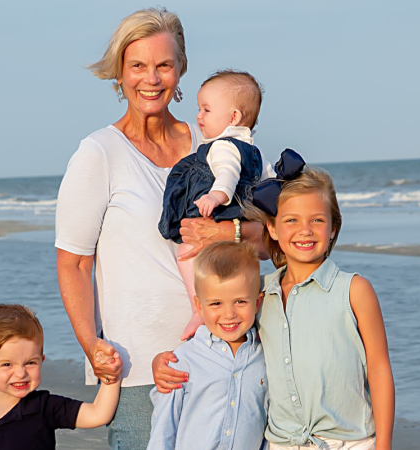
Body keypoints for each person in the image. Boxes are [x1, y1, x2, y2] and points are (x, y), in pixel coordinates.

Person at [55, 7, 266, 449]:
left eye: (164, 65)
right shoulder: (98, 153)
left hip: (228, 356)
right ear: (119, 72)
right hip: (139, 369)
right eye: (137, 65)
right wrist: (92, 345)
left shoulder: (219, 141)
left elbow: (273, 235)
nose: (151, 78)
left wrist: (230, 235)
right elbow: (74, 262)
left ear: (180, 69)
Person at [153, 154, 396, 450]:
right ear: (272, 229)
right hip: (282, 443)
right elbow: (220, 339)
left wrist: (384, 445)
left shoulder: (353, 290)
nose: (304, 230)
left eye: (317, 220)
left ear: (333, 227)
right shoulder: (260, 294)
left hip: (349, 442)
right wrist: (165, 362)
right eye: (291, 220)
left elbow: (379, 368)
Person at [158, 70, 277, 341]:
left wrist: (216, 196)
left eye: (206, 109)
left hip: (220, 215)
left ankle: (197, 307)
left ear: (233, 117)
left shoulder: (222, 147)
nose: (199, 116)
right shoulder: (256, 152)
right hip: (241, 223)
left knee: (186, 254)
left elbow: (227, 174)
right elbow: (270, 184)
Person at [0, 304, 122, 450]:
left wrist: (111, 374)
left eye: (30, 363)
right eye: (7, 364)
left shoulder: (44, 407)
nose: (21, 373)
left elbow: (98, 414)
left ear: (42, 360)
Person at [147, 241, 268, 450]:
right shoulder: (182, 361)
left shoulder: (265, 359)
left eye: (240, 302)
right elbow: (163, 429)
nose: (229, 314)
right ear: (199, 306)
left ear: (257, 303)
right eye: (216, 303)